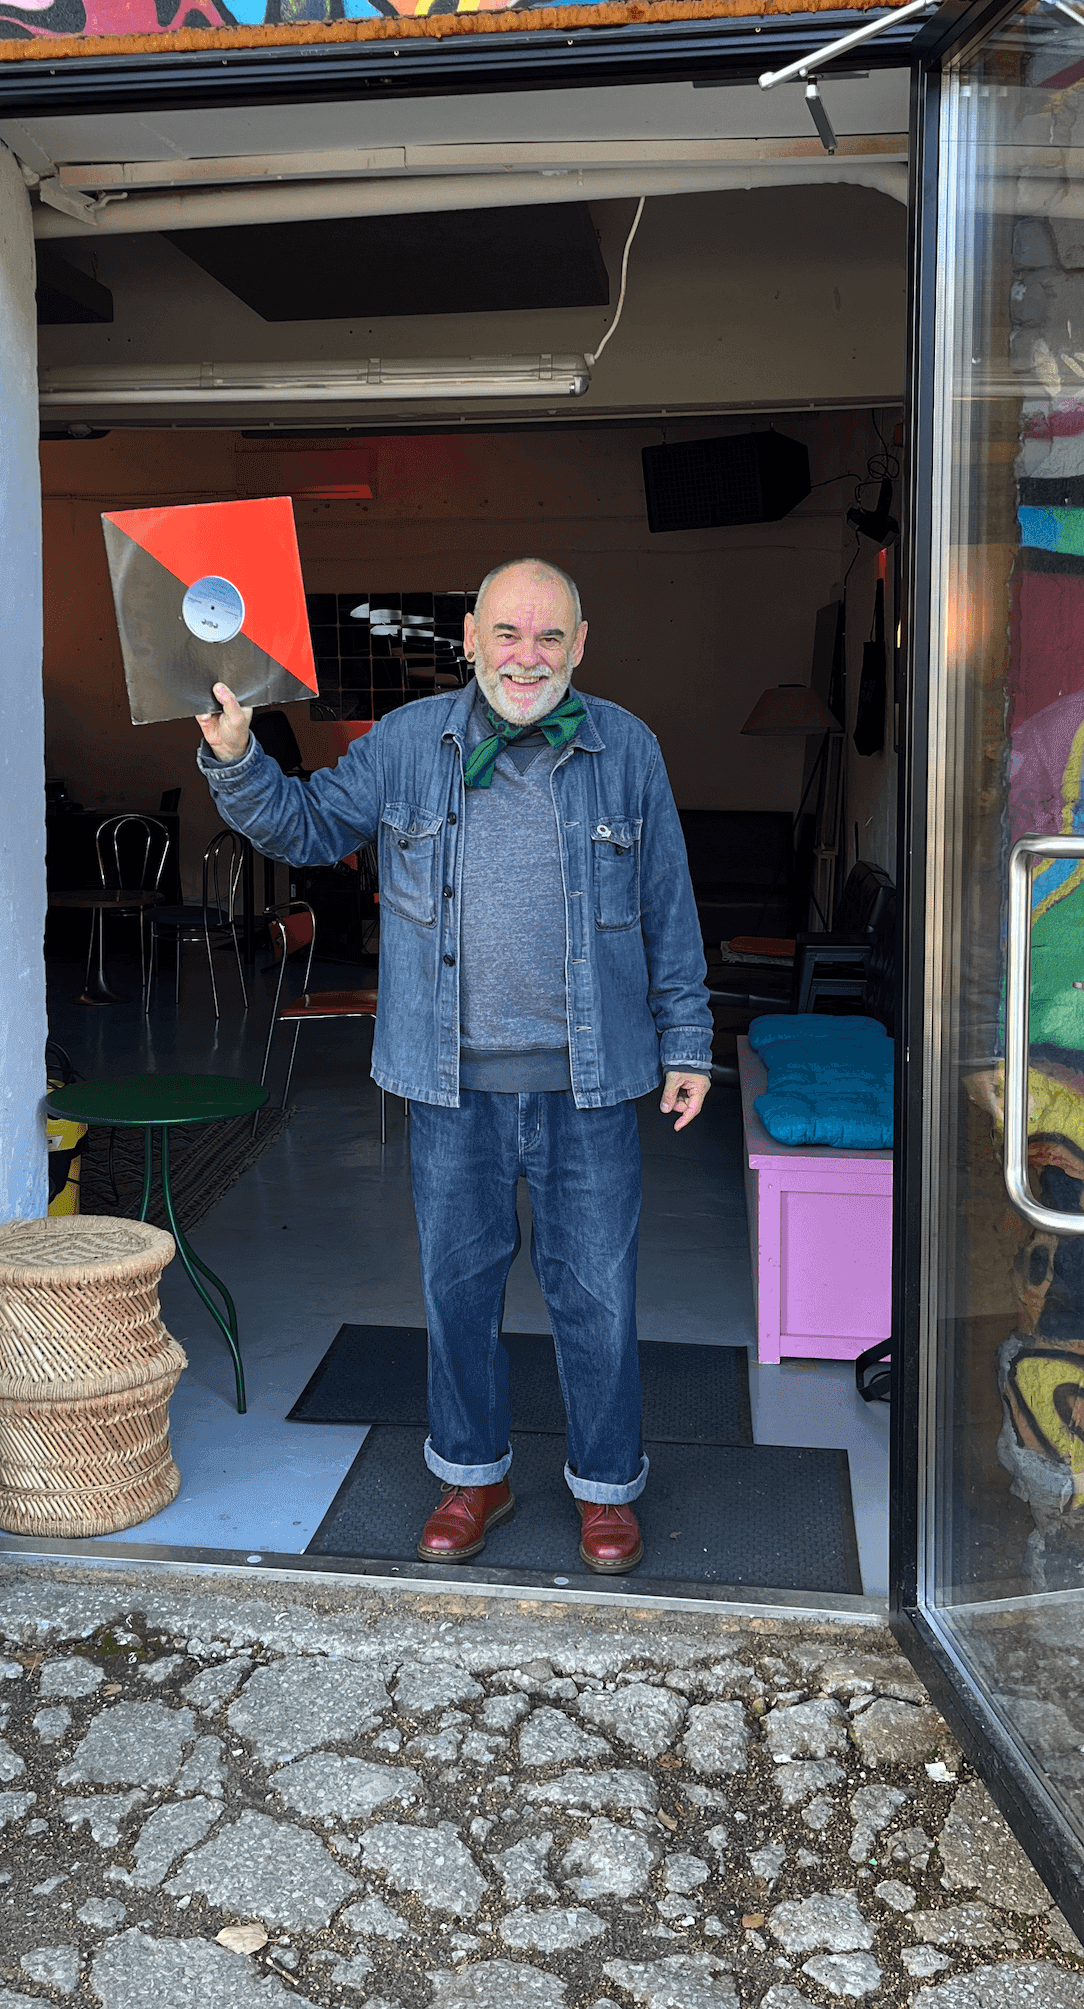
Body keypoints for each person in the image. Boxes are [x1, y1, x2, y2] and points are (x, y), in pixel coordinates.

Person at [196, 557, 712, 1575]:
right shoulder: (405, 743)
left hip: (588, 1084)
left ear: (580, 644)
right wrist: (236, 757)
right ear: (470, 638)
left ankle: (606, 1488)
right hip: (451, 1084)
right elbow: (306, 826)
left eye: (550, 636)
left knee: (598, 1297)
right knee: (458, 1293)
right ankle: (475, 1475)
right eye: (507, 633)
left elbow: (667, 901)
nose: (527, 657)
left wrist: (686, 1038)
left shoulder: (627, 747)